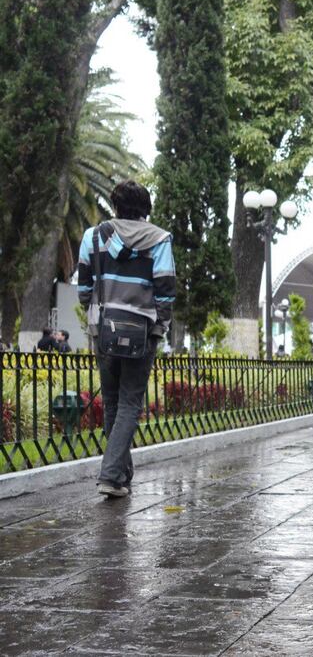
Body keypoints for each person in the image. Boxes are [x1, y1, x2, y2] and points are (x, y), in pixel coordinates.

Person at [77, 180, 175, 498]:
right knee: (130, 403)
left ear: (115, 205)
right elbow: (165, 290)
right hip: (142, 331)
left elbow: (83, 289)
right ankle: (110, 475)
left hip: (104, 328)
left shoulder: (93, 237)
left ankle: (120, 475)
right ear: (145, 208)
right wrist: (159, 325)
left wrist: (97, 313)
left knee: (114, 403)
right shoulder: (160, 239)